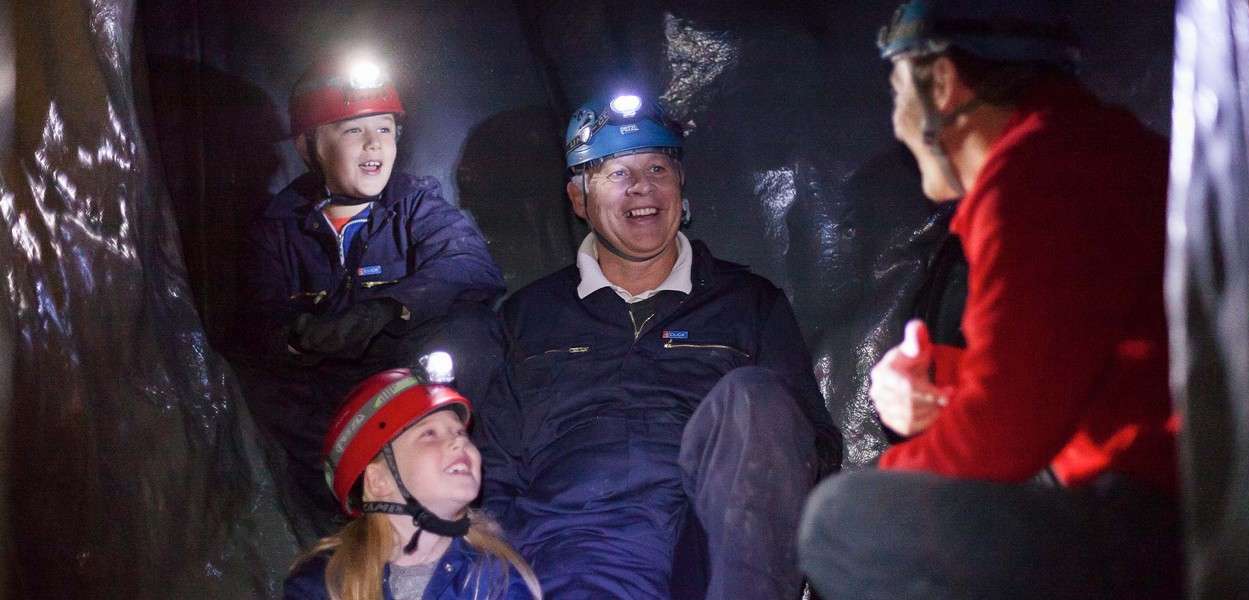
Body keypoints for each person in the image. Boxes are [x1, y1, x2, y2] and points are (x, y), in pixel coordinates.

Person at [798, 2, 1182, 599]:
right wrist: (943, 382)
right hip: (1177, 504)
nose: (896, 122)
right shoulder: (1102, 153)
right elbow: (1067, 371)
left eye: (897, 89)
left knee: (844, 521)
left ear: (943, 83)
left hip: (1157, 522)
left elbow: (1002, 439)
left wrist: (882, 481)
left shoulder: (1041, 177)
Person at [473, 93, 843, 600]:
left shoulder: (748, 304)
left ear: (681, 184)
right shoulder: (529, 317)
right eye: (617, 173)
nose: (643, 187)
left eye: (657, 168)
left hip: (712, 547)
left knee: (754, 396)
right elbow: (492, 470)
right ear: (579, 199)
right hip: (570, 546)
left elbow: (810, 447)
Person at [232, 53, 507, 538]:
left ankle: (443, 497)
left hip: (407, 386)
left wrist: (386, 309)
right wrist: (299, 337)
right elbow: (256, 316)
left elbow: (469, 265)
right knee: (249, 380)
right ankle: (342, 522)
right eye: (352, 130)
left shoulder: (415, 203)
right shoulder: (276, 227)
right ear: (308, 145)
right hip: (325, 398)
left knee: (474, 333)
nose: (373, 143)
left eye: (383, 129)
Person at [285, 357, 541, 599]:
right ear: (378, 481)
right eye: (429, 434)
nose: (459, 441)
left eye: (461, 432)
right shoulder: (325, 582)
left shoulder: (497, 577)